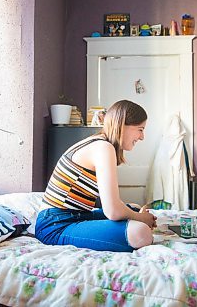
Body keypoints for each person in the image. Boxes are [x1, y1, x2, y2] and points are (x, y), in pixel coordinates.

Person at [35, 100, 157, 252]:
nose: (142, 137)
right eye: (140, 129)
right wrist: (140, 218)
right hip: (54, 225)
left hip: (76, 216)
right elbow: (113, 211)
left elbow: (115, 208)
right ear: (122, 125)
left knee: (134, 208)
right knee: (140, 233)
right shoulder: (103, 148)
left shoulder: (100, 144)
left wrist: (137, 215)